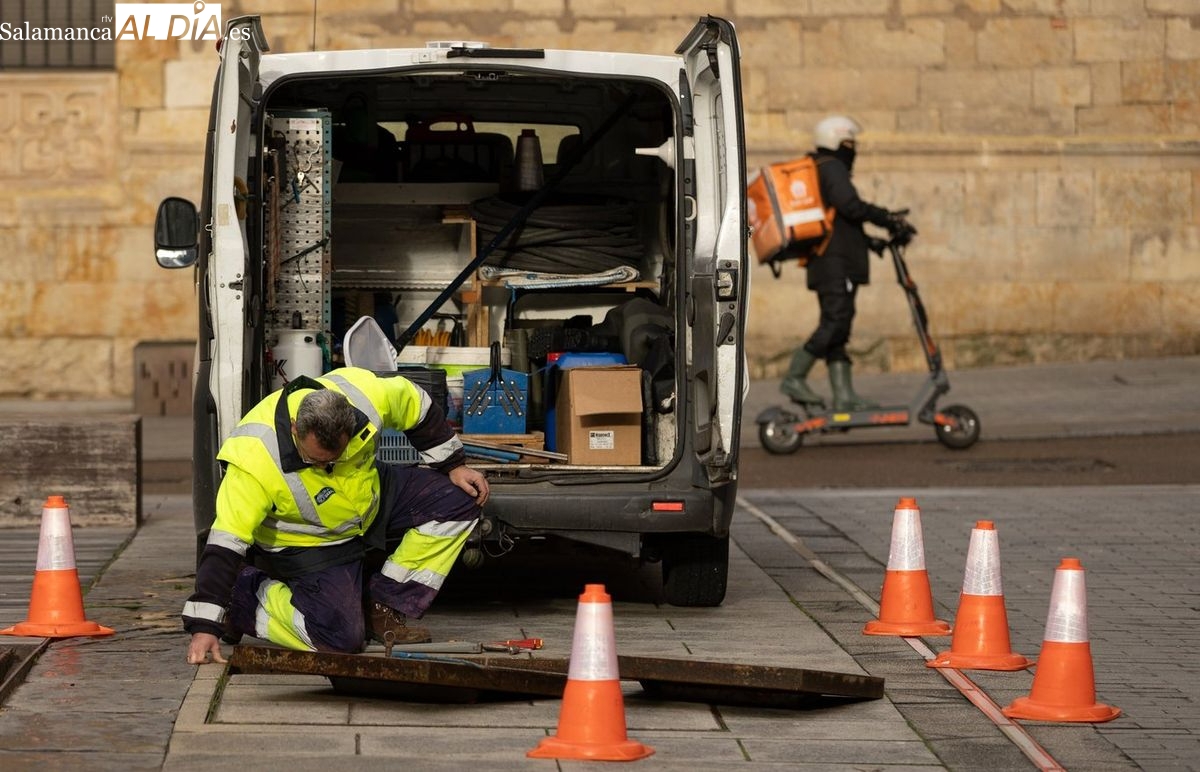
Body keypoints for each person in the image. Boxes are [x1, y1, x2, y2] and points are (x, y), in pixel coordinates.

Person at [183, 366, 489, 664]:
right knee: (340, 641)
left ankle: (383, 605)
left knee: (461, 500)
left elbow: (415, 402)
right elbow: (225, 543)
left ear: (350, 423)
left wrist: (453, 464)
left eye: (335, 458)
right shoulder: (253, 459)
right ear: (294, 428)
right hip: (311, 543)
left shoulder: (364, 395)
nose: (325, 467)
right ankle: (242, 597)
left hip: (367, 499)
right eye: (314, 461)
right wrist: (205, 625)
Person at [780, 115, 913, 411]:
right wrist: (887, 217)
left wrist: (871, 242)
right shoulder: (832, 167)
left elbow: (838, 222)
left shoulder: (821, 168)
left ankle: (844, 395)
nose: (853, 150)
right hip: (835, 264)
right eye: (849, 143)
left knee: (840, 326)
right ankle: (794, 376)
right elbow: (850, 206)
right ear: (835, 141)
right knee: (835, 321)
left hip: (830, 261)